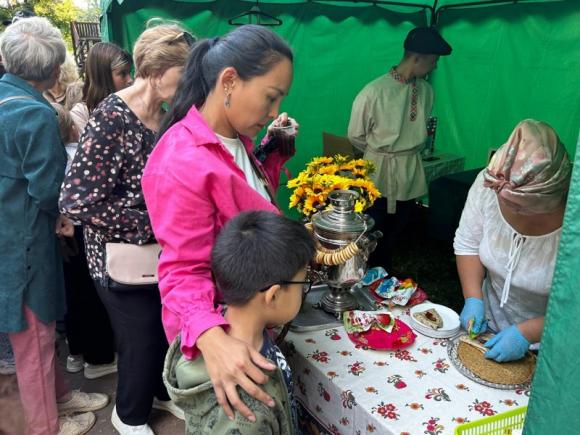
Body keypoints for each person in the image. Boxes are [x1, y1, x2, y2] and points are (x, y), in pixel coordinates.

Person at [142, 24, 298, 423]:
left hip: (252, 320)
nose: (272, 112)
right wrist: (212, 339)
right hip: (226, 335)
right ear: (229, 80)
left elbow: (247, 207)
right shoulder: (182, 158)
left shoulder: (234, 139)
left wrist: (274, 155)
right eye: (271, 97)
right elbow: (181, 269)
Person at [59, 23, 191, 435]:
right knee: (140, 337)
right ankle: (128, 416)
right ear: (155, 68)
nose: (189, 82)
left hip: (161, 250)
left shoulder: (168, 113)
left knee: (162, 328)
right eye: (183, 72)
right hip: (119, 257)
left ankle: (159, 394)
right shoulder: (110, 119)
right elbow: (76, 201)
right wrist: (151, 224)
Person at [0, 17, 109, 435]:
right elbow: (48, 189)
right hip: (24, 239)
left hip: (10, 233)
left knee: (36, 334)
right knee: (36, 338)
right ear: (53, 71)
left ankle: (59, 397)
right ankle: (44, 424)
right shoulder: (34, 114)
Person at [163, 210, 314, 434]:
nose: (303, 291)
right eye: (303, 284)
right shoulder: (243, 413)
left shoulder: (229, 321)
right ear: (272, 296)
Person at [454, 119, 572, 362]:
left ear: (548, 198)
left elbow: (575, 304)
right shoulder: (491, 183)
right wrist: (474, 299)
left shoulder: (574, 221)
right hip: (489, 326)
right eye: (502, 199)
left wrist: (527, 333)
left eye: (518, 205)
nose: (505, 206)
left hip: (557, 342)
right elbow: (468, 244)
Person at [348, 26, 452, 272]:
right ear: (418, 57)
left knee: (397, 230)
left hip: (409, 171)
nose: (435, 66)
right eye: (434, 60)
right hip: (379, 172)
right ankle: (362, 278)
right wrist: (380, 153)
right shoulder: (373, 92)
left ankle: (384, 276)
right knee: (372, 230)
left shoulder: (427, 91)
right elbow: (355, 135)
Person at [52, 102, 118, 378]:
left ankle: (75, 355)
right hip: (80, 231)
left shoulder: (54, 159)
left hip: (59, 233)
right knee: (90, 295)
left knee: (71, 295)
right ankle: (98, 359)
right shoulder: (76, 155)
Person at [69, 42, 133, 133]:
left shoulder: (133, 105)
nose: (130, 80)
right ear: (103, 76)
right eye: (123, 74)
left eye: (129, 73)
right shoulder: (81, 113)